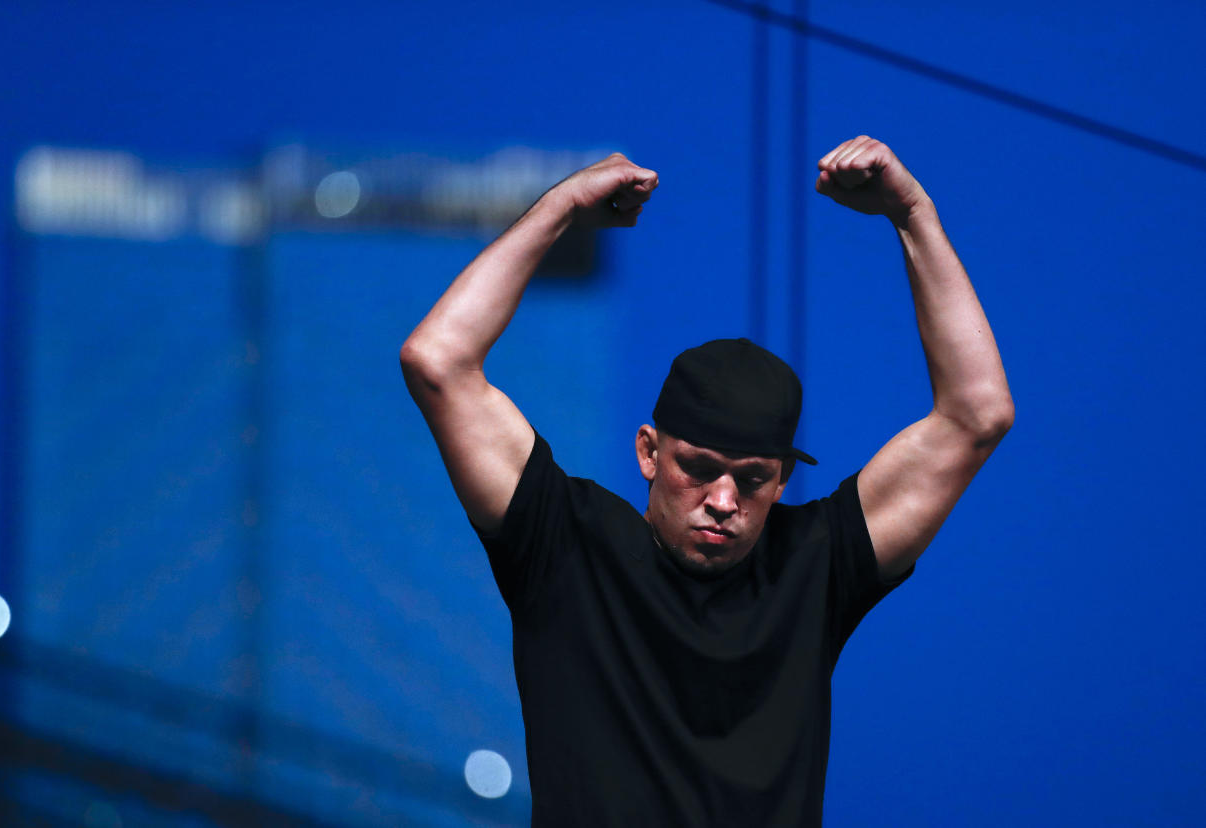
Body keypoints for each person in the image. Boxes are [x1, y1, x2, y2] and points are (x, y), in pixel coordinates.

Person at [400, 136, 1013, 827]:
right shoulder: (564, 543)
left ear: (781, 480)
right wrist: (562, 206)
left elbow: (977, 414)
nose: (724, 502)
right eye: (699, 469)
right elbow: (437, 361)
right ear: (649, 453)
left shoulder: (816, 565)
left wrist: (913, 212)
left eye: (752, 479)